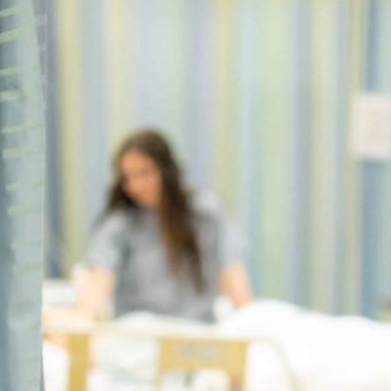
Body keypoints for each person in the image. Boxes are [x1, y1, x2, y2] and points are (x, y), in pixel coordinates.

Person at [52, 129, 253, 325]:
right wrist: (81, 318)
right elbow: (100, 280)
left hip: (195, 334)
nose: (136, 186)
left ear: (166, 169)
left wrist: (249, 324)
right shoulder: (120, 224)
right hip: (139, 335)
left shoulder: (206, 213)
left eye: (144, 173)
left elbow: (231, 272)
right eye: (127, 178)